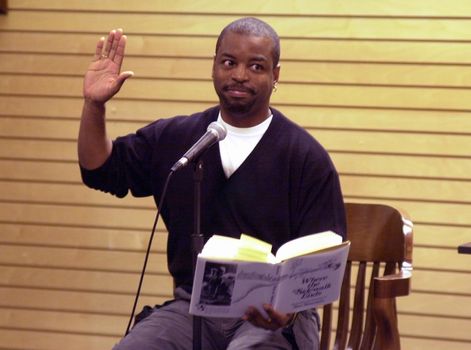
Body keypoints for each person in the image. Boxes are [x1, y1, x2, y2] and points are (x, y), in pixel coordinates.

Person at [78, 17, 346, 350]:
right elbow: (100, 169)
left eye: (256, 66)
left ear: (275, 75)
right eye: (229, 62)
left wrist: (288, 310)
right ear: (214, 66)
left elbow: (325, 256)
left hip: (277, 317)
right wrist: (94, 104)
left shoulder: (306, 157)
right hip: (194, 309)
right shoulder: (178, 138)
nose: (240, 74)